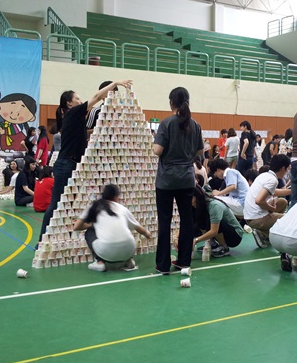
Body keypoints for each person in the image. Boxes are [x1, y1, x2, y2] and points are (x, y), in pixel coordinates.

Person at [38, 80, 133, 245]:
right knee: (57, 204)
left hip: (72, 164)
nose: (80, 100)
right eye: (77, 98)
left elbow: (84, 134)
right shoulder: (73, 112)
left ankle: (59, 238)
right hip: (66, 164)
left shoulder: (74, 118)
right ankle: (41, 241)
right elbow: (96, 97)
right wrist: (115, 83)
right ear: (69, 103)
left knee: (67, 204)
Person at [153, 87, 203, 273]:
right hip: (187, 179)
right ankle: (184, 261)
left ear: (171, 103)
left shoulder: (166, 124)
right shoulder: (195, 125)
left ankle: (163, 264)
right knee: (186, 219)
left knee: (164, 221)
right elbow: (200, 152)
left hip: (166, 180)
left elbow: (157, 150)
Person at [73, 184, 151, 272]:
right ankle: (128, 260)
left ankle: (100, 262)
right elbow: (139, 228)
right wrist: (147, 234)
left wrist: (93, 225)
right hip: (129, 250)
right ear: (115, 196)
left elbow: (76, 227)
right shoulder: (122, 208)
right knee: (124, 229)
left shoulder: (94, 206)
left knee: (89, 232)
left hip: (107, 252)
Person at [243, 154, 291, 248]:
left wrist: (291, 191)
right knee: (288, 219)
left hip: (249, 215)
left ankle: (265, 232)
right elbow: (259, 201)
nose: (287, 172)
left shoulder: (264, 175)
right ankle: (264, 234)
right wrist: (271, 208)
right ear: (282, 168)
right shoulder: (273, 180)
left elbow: (273, 191)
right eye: (287, 169)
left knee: (282, 202)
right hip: (256, 218)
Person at [192, 186, 244, 258]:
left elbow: (214, 231)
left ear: (197, 197)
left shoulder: (214, 205)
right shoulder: (200, 206)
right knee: (200, 218)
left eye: (191, 198)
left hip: (235, 236)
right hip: (224, 232)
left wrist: (196, 240)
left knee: (214, 221)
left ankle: (224, 248)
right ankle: (212, 244)